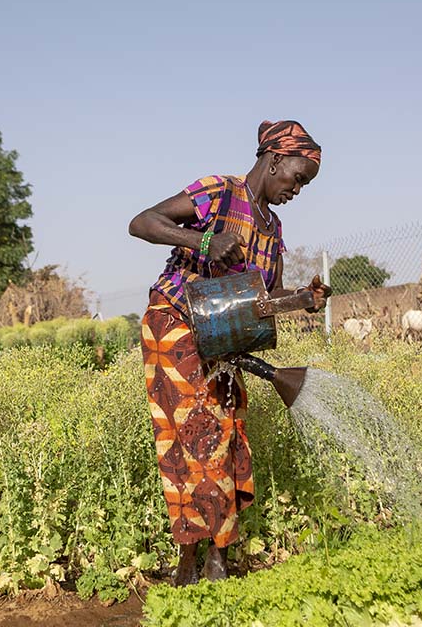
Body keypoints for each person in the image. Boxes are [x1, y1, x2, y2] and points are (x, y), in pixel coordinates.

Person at [128, 120, 330, 586]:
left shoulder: (273, 229)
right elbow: (142, 223)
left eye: (304, 184)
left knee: (226, 437)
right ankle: (195, 558)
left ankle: (211, 554)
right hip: (174, 323)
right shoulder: (219, 192)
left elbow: (266, 297)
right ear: (274, 159)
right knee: (192, 440)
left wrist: (302, 299)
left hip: (224, 342)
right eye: (296, 177)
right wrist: (202, 240)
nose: (297, 189)